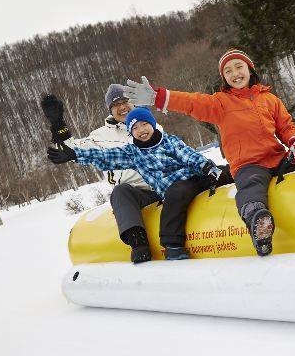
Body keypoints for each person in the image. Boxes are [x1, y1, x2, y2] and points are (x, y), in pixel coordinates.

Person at [121, 49, 295, 256]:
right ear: (224, 78)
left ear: (250, 69)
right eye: (228, 71)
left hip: (277, 157)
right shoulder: (221, 103)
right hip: (249, 164)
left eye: (239, 67)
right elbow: (192, 102)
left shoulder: (269, 99)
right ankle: (257, 220)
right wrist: (158, 97)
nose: (235, 73)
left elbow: (286, 126)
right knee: (249, 187)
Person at [47, 107, 221, 261]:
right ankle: (145, 242)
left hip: (192, 178)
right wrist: (74, 154)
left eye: (144, 124)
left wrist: (207, 167)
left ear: (152, 124)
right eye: (135, 128)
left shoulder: (167, 138)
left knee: (224, 171)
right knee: (128, 192)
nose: (141, 130)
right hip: (165, 190)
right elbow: (103, 156)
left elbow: (188, 155)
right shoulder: (129, 150)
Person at [41, 86, 164, 263]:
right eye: (116, 104)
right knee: (121, 191)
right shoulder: (100, 136)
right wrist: (58, 124)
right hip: (136, 195)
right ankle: (138, 243)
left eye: (124, 101)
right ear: (110, 110)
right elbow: (70, 150)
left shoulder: (150, 123)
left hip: (164, 184)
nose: (122, 107)